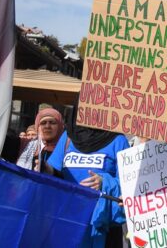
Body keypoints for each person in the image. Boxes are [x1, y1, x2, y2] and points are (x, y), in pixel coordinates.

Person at [47, 102, 130, 248]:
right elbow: (53, 173)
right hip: (69, 222)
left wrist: (105, 181)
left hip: (104, 225)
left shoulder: (118, 140)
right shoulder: (68, 137)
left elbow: (130, 183)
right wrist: (40, 167)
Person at [16, 107, 65, 174]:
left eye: (52, 122)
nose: (47, 126)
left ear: (60, 127)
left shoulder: (67, 149)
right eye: (43, 123)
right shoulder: (25, 144)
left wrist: (50, 171)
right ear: (37, 127)